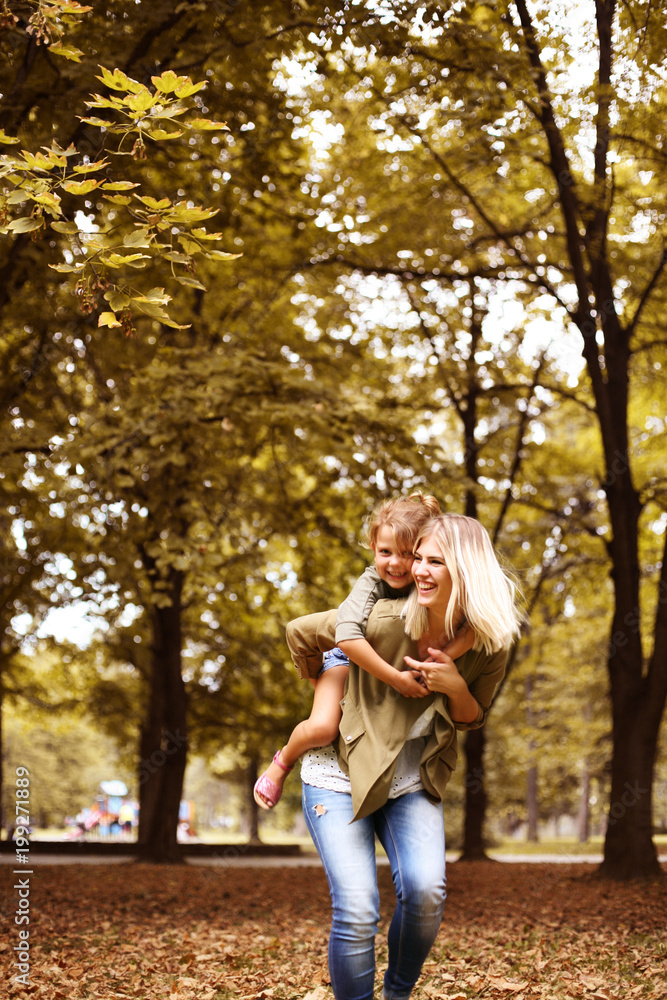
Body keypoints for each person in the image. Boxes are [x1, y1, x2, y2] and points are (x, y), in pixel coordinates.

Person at [286, 514, 522, 1000]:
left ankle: (397, 993)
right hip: (339, 772)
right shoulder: (383, 618)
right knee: (357, 909)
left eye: (435, 561)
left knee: (426, 892)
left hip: (410, 776)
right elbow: (302, 631)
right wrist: (322, 681)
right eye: (419, 558)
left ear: (466, 570)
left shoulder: (490, 643)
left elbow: (472, 717)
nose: (418, 570)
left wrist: (455, 686)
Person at [254, 494, 474, 810]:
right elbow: (346, 637)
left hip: (389, 664)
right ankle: (283, 761)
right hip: (346, 659)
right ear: (373, 548)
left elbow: (473, 626)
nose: (395, 563)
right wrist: (396, 679)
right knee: (323, 728)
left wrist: (442, 658)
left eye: (407, 554)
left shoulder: (430, 580)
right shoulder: (371, 582)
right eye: (385, 552)